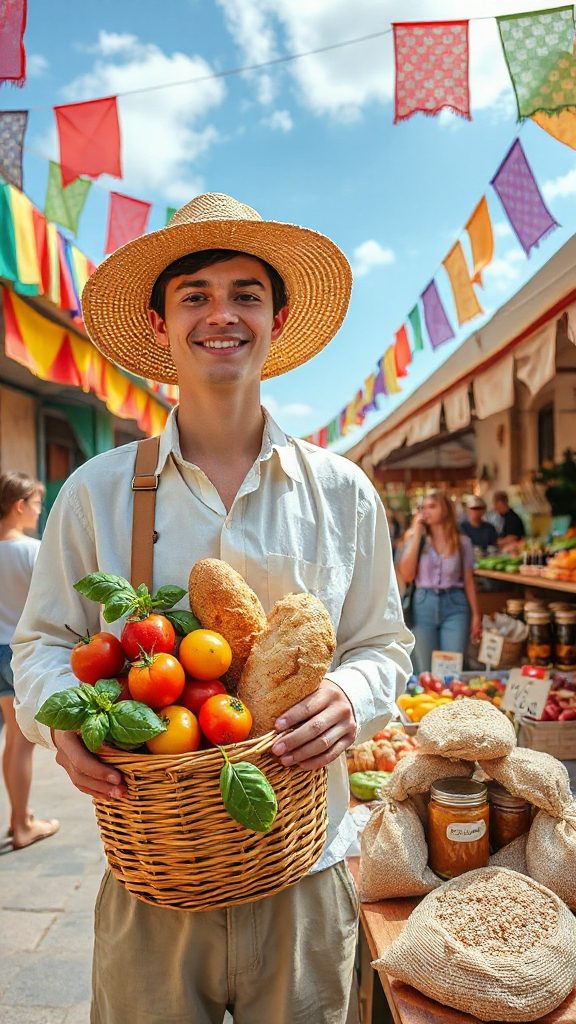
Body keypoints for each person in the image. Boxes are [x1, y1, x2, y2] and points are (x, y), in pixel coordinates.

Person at [12, 193, 413, 1024]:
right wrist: (59, 724)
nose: (220, 315)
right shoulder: (95, 493)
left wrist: (351, 697)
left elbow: (384, 643)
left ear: (278, 317)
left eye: (245, 294)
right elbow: (43, 643)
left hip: (307, 873)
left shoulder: (342, 492)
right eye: (194, 295)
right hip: (153, 882)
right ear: (160, 326)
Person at [0, 472, 59, 850]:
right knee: (22, 742)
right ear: (19, 505)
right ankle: (21, 824)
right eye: (36, 504)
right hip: (19, 653)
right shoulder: (33, 551)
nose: (39, 512)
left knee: (12, 739)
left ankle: (18, 817)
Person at [397, 489, 481, 675]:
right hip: (423, 604)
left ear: (445, 509)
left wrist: (476, 615)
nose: (426, 511)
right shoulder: (416, 539)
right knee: (425, 669)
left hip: (455, 605)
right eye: (423, 507)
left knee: (451, 669)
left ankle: (451, 703)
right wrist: (417, 533)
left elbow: (468, 579)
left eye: (432, 506)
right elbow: (407, 575)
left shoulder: (463, 542)